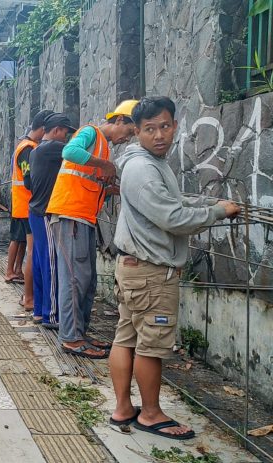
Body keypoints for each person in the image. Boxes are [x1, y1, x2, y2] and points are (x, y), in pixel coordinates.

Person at [108, 96, 240, 440]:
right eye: (150, 129)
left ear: (175, 126)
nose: (159, 135)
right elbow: (173, 217)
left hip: (135, 268)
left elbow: (174, 201)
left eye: (165, 126)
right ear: (137, 132)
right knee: (150, 345)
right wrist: (217, 213)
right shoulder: (144, 168)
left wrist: (208, 203)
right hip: (151, 273)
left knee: (127, 338)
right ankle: (150, 414)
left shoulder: (148, 162)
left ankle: (124, 408)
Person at [45, 100, 138, 359]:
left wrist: (110, 189)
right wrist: (103, 165)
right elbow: (70, 152)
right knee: (75, 279)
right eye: (129, 132)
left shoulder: (104, 148)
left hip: (83, 217)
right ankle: (71, 338)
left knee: (87, 281)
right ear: (120, 121)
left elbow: (88, 181)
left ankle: (80, 334)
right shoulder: (90, 133)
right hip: (70, 214)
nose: (126, 139)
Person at [25, 113, 76, 327]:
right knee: (51, 265)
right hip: (45, 213)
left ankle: (39, 311)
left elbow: (28, 182)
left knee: (39, 262)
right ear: (56, 131)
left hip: (34, 212)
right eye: (65, 133)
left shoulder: (36, 151)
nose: (66, 138)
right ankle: (51, 315)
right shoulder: (53, 148)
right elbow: (76, 152)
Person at [6, 110, 54, 315]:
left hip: (24, 205)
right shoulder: (29, 149)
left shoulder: (26, 146)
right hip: (29, 206)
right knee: (33, 252)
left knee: (26, 247)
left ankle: (25, 290)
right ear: (44, 129)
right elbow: (30, 179)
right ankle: (29, 297)